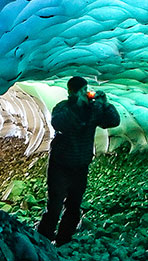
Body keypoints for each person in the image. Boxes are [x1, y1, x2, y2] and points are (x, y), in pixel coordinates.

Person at [36, 76, 120, 245]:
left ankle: (63, 240)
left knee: (74, 206)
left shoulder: (93, 110)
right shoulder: (63, 108)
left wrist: (105, 104)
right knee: (54, 205)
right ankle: (43, 239)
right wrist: (77, 106)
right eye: (81, 91)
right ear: (72, 92)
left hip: (80, 165)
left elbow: (113, 121)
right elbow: (59, 123)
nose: (85, 93)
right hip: (60, 164)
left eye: (85, 90)